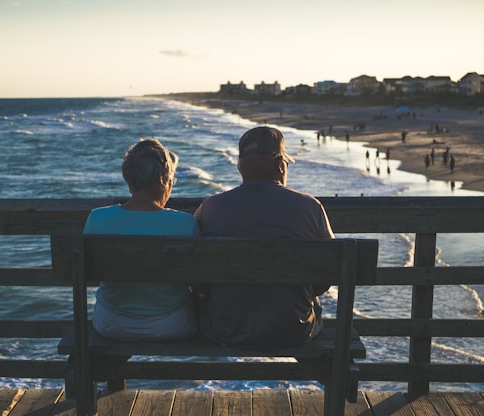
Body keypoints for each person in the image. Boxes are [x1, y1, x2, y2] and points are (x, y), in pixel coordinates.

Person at [194, 126, 334, 349]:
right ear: (280, 165)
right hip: (293, 330)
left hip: (225, 329)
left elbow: (196, 276)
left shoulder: (210, 207)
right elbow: (327, 275)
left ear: (240, 168)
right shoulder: (311, 207)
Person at [83, 139, 199, 341]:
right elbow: (198, 282)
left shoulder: (97, 218)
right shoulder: (185, 223)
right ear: (162, 179)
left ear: (129, 178)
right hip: (171, 326)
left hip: (111, 324)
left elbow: (91, 277)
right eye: (172, 180)